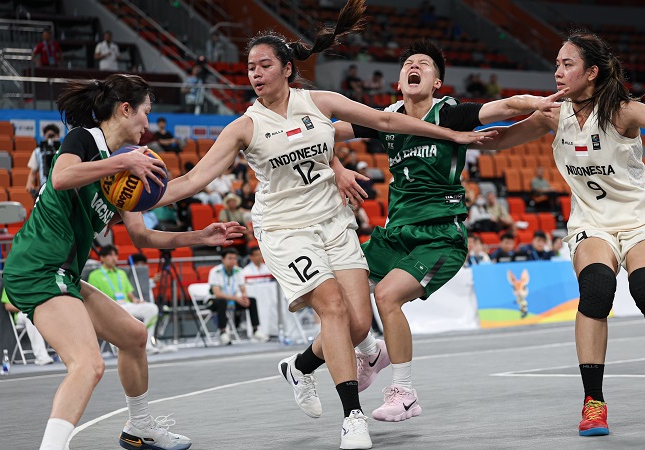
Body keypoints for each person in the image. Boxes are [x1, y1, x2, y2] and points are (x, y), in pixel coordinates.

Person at [151, 3, 493, 446]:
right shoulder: (244, 127)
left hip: (333, 221)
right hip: (285, 229)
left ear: (287, 69)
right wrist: (147, 195)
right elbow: (194, 179)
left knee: (354, 325)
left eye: (264, 65)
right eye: (250, 67)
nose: (255, 74)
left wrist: (453, 134)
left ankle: (298, 368)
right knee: (332, 309)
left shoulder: (319, 102)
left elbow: (386, 121)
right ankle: (353, 417)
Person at [474, 30, 645, 436]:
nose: (557, 72)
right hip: (592, 223)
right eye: (556, 64)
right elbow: (498, 140)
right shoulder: (552, 115)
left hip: (639, 220)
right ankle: (593, 402)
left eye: (566, 64)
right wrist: (452, 133)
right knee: (596, 290)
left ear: (591, 72)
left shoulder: (622, 110)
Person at [2, 73, 245, 450]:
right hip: (36, 267)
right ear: (125, 109)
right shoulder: (84, 139)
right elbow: (63, 176)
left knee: (133, 336)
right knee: (88, 365)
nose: (148, 123)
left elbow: (144, 235)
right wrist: (123, 164)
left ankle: (140, 427)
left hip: (62, 272)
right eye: (145, 113)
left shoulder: (124, 173)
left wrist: (199, 236)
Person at [331, 38, 563, 421]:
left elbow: (503, 107)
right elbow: (324, 133)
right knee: (340, 290)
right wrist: (337, 168)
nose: (413, 65)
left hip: (439, 232)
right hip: (396, 232)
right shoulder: (385, 118)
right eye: (407, 62)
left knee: (387, 296)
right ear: (400, 78)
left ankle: (404, 392)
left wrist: (536, 103)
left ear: (436, 82)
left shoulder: (450, 114)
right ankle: (371, 352)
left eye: (423, 63)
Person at [86, 245, 161, 354]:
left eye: (115, 255)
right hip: (110, 307)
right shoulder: (94, 275)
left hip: (126, 305)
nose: (114, 258)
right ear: (102, 258)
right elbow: (92, 297)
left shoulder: (121, 273)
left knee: (152, 309)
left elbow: (129, 293)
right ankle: (120, 346)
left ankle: (147, 345)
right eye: (110, 255)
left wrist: (135, 300)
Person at [207, 248, 268, 345]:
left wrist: (244, 297)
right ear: (223, 259)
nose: (233, 261)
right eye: (230, 258)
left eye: (235, 258)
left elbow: (243, 288)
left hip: (233, 300)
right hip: (214, 301)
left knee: (252, 300)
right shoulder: (215, 271)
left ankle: (255, 330)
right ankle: (223, 333)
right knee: (221, 301)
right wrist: (236, 298)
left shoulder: (238, 271)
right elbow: (217, 294)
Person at [1, 288, 54, 365]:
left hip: (41, 312)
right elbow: (8, 306)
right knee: (31, 316)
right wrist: (27, 307)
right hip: (23, 314)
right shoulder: (9, 284)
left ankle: (65, 355)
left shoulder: (33, 282)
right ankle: (41, 356)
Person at [26, 124, 62, 195]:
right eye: (49, 136)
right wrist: (29, 184)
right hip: (44, 186)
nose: (51, 138)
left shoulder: (63, 150)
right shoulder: (38, 151)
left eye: (53, 136)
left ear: (58, 136)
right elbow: (33, 171)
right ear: (44, 136)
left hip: (60, 186)